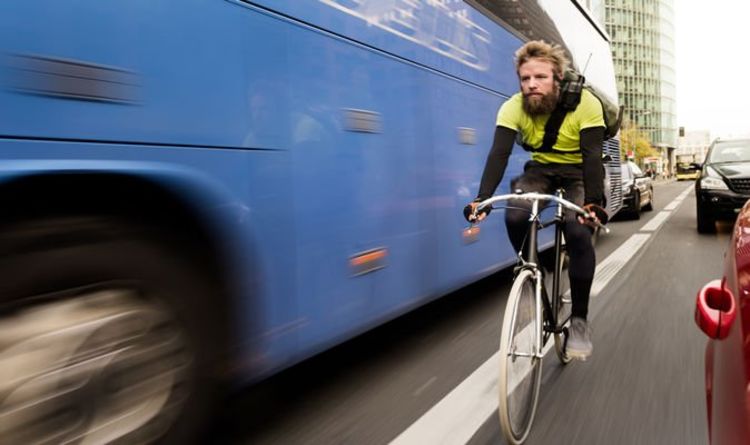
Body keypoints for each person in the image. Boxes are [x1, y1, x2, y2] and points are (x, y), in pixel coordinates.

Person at [464, 40, 608, 360]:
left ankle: (580, 321)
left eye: (540, 77)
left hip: (580, 172)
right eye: (525, 79)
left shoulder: (586, 103)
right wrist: (483, 199)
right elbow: (498, 154)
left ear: (558, 78)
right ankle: (533, 273)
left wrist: (592, 203)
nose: (531, 85)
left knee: (576, 229)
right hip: (541, 169)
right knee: (515, 213)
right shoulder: (513, 106)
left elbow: (593, 157)